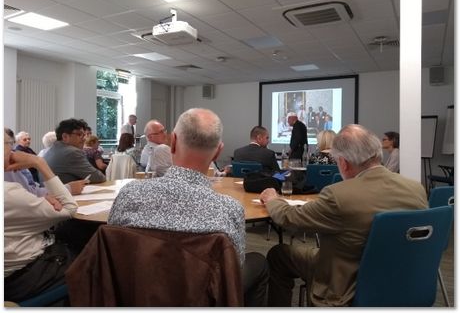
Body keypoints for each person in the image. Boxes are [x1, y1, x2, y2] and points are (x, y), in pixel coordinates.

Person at [108, 108, 268, 306]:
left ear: (173, 142)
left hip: (137, 291)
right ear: (218, 150)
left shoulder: (128, 195)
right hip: (201, 298)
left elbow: (112, 255)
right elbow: (232, 272)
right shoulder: (229, 209)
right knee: (260, 264)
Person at [259, 124, 427, 306]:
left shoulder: (338, 195)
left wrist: (273, 199)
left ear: (344, 163)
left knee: (278, 255)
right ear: (377, 153)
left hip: (346, 283)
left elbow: (289, 218)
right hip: (402, 279)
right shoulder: (416, 189)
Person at [4, 129, 78, 303]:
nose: (14, 150)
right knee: (94, 254)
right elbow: (69, 208)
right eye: (9, 144)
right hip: (25, 277)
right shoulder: (8, 193)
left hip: (11, 271)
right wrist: (39, 162)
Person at [44, 118, 106, 184]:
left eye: (84, 135)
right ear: (65, 137)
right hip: (68, 193)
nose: (84, 139)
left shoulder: (49, 150)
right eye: (79, 135)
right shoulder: (72, 152)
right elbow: (98, 178)